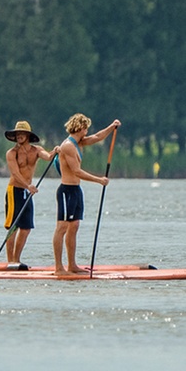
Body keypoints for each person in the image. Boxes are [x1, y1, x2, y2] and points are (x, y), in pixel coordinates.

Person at [53, 114, 120, 275]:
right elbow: (76, 171)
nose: (87, 131)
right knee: (62, 227)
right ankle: (58, 268)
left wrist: (112, 126)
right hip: (66, 191)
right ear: (81, 128)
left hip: (76, 191)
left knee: (74, 226)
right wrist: (99, 180)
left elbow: (97, 137)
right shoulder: (68, 146)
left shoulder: (79, 143)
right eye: (86, 128)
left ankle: (72, 265)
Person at [3, 121, 58, 267]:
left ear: (28, 135)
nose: (19, 136)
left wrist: (55, 152)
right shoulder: (12, 153)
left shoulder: (36, 150)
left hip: (27, 191)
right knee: (13, 227)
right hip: (14, 190)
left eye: (22, 133)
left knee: (26, 228)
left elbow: (48, 156)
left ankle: (17, 259)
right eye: (17, 134)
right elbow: (14, 172)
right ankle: (11, 262)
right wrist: (28, 186)